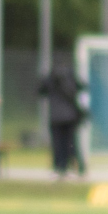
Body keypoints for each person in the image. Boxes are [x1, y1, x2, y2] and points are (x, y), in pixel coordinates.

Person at [37, 53, 85, 181]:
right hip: (70, 115)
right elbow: (81, 87)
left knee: (58, 143)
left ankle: (59, 168)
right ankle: (74, 168)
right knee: (70, 143)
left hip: (56, 116)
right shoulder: (69, 76)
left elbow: (41, 91)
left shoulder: (51, 77)